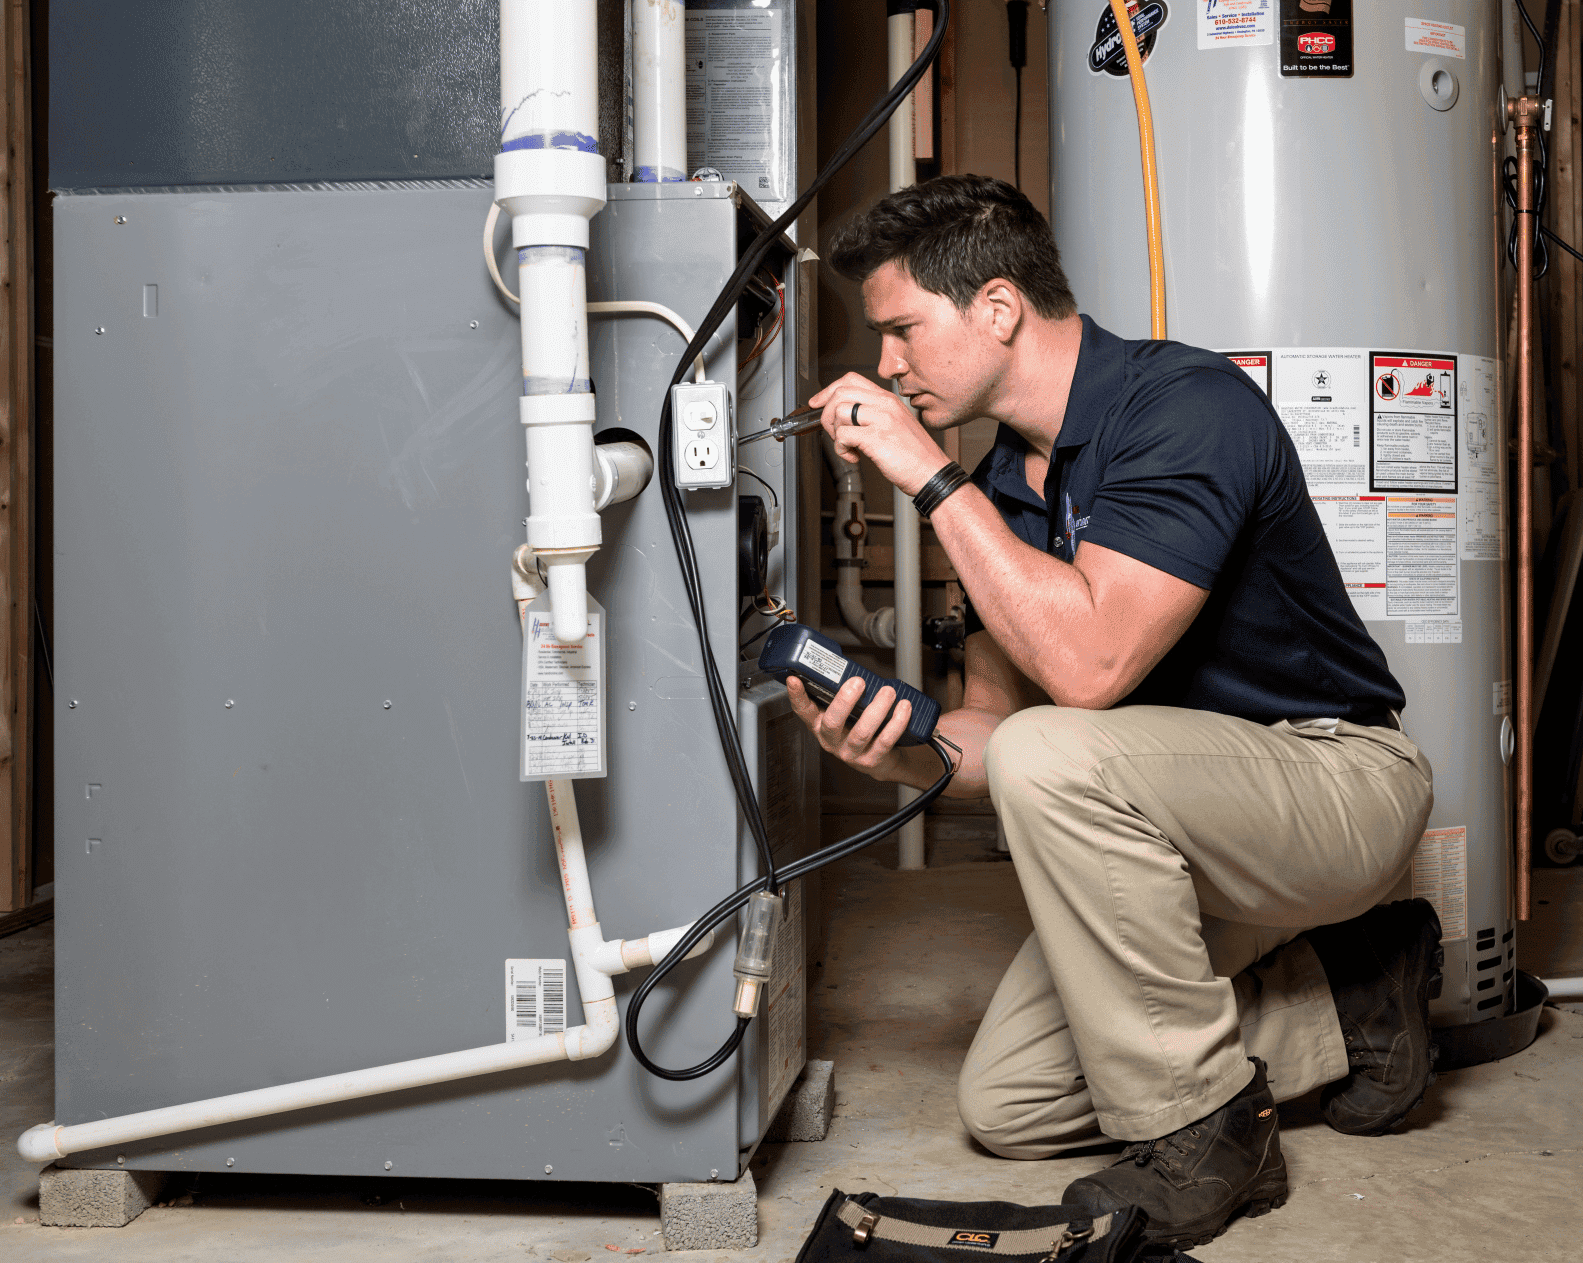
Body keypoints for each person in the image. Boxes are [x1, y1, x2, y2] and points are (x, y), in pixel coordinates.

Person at [786, 174, 1441, 1252]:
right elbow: (994, 744)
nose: (886, 367)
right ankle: (1352, 994)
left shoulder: (1183, 407)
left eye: (900, 330)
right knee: (1008, 1105)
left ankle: (1210, 1133)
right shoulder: (999, 488)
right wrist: (891, 751)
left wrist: (920, 475)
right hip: (1172, 831)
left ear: (995, 308)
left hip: (1335, 784)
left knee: (1060, 748)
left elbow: (1085, 671)